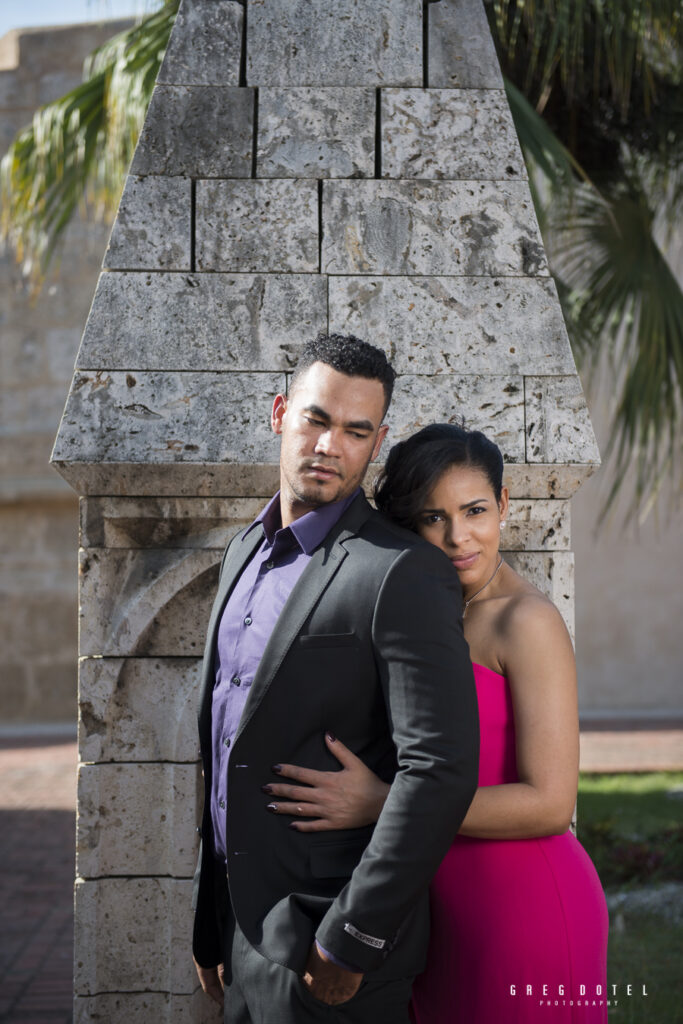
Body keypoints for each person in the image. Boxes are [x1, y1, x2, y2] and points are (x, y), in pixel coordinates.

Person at [264, 423, 609, 1023]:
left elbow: (552, 804)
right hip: (436, 913)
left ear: (503, 505)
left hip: (523, 907)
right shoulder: (418, 611)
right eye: (431, 518)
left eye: (474, 510)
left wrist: (384, 803)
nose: (457, 537)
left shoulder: (524, 622)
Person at [192, 338, 480, 1024]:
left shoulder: (399, 571)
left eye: (355, 432)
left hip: (330, 939)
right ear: (279, 413)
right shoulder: (243, 552)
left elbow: (438, 769)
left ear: (376, 442)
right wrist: (211, 923)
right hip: (238, 932)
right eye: (315, 420)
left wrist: (350, 942)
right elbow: (226, 746)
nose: (329, 444)